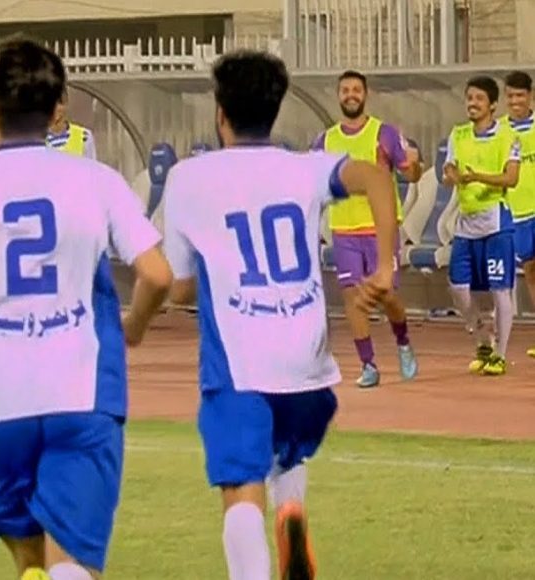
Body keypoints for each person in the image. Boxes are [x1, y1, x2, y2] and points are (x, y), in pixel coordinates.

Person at [0, 35, 172, 580]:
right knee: (71, 562)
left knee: (29, 559)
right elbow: (158, 275)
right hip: (82, 392)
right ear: (56, 113)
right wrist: (134, 327)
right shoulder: (97, 181)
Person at [161, 51, 399, 580]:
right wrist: (385, 267)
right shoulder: (306, 167)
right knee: (285, 454)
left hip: (240, 365)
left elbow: (177, 287)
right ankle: (290, 508)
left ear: (220, 112)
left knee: (239, 488)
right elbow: (378, 180)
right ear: (275, 110)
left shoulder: (187, 177)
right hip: (307, 366)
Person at [310, 70, 423, 388]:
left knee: (386, 294)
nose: (350, 95)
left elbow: (412, 174)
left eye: (356, 90)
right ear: (338, 95)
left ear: (365, 94)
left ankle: (403, 341)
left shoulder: (384, 133)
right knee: (352, 297)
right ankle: (368, 364)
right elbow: (314, 183)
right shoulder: (325, 141)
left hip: (379, 229)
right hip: (344, 229)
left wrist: (414, 164)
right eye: (345, 90)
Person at [443, 76, 522, 376]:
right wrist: (451, 175)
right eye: (469, 98)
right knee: (458, 287)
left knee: (500, 289)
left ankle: (499, 355)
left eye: (479, 98)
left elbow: (511, 178)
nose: (472, 103)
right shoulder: (458, 134)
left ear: (492, 105)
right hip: (466, 224)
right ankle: (482, 339)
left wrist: (477, 177)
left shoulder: (507, 135)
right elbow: (449, 168)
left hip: (496, 223)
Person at [501, 71, 535, 359]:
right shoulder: (499, 131)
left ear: (530, 96)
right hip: (517, 213)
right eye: (510, 95)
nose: (515, 101)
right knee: (532, 273)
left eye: (520, 95)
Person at [46, 90, 95, 160]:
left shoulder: (84, 137)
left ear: (66, 104)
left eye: (60, 102)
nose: (56, 108)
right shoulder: (36, 139)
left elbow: (91, 165)